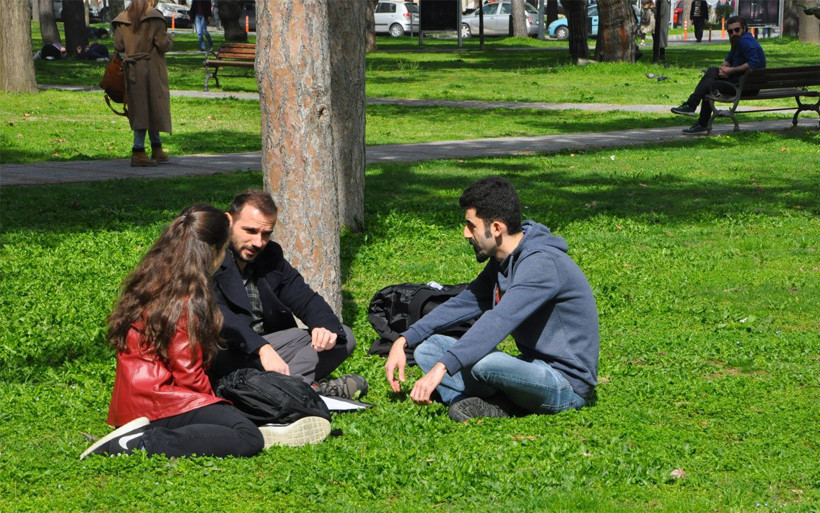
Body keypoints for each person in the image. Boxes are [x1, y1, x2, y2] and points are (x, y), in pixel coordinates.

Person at [79, 205, 331, 460]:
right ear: (212, 251)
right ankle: (142, 442)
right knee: (247, 435)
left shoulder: (155, 276)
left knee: (232, 416)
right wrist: (216, 405)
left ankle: (218, 429)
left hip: (136, 401)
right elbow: (188, 375)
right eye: (224, 250)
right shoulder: (185, 299)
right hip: (159, 403)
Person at [384, 177, 599, 422]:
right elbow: (464, 302)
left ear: (496, 228)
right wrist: (404, 340)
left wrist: (442, 369)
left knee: (485, 363)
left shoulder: (541, 263)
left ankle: (498, 405)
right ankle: (493, 402)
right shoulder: (503, 260)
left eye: (471, 225)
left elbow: (498, 320)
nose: (466, 234)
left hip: (565, 384)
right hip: (528, 366)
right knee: (428, 349)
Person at [208, 189, 368, 400]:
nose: (258, 242)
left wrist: (323, 326)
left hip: (269, 350)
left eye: (266, 234)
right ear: (229, 221)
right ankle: (303, 391)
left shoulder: (270, 256)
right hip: (226, 352)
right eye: (250, 231)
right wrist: (261, 348)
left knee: (341, 336)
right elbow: (219, 316)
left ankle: (284, 391)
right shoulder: (211, 257)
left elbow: (305, 297)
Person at [671, 16, 766, 134]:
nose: (734, 34)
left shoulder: (744, 42)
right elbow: (729, 59)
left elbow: (754, 63)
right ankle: (694, 111)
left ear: (744, 29)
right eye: (730, 31)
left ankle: (695, 112)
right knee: (712, 75)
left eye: (737, 30)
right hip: (745, 84)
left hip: (745, 87)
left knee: (709, 84)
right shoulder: (740, 41)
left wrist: (731, 71)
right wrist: (724, 69)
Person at [112, 0, 173, 168]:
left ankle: (156, 148)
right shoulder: (155, 17)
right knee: (151, 107)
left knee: (140, 107)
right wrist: (170, 39)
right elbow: (162, 44)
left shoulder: (122, 18)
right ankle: (138, 151)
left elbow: (118, 45)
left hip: (132, 69)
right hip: (152, 69)